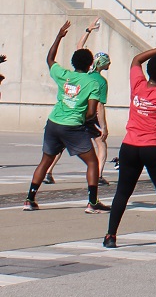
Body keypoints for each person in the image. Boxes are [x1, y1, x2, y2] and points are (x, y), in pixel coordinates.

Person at [104, 43, 156, 250]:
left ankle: (110, 236)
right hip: (155, 148)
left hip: (130, 146)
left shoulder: (138, 86)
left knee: (122, 192)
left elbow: (136, 60)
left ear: (149, 72)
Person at [25, 21, 108, 213]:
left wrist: (59, 37)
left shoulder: (64, 75)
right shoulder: (92, 83)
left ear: (73, 63)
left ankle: (29, 199)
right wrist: (85, 122)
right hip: (73, 126)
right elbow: (91, 112)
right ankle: (93, 202)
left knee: (45, 161)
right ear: (90, 64)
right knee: (92, 162)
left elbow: (50, 59)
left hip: (54, 122)